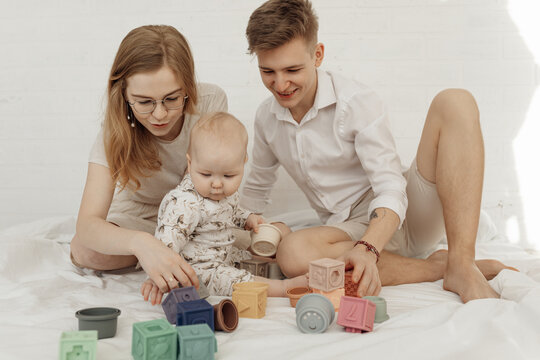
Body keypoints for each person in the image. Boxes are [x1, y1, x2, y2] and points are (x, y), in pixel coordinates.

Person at [242, 0, 515, 303]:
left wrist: (368, 248)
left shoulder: (355, 101)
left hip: (406, 215)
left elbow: (390, 187)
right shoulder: (266, 118)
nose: (280, 84)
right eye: (268, 71)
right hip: (347, 230)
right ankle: (437, 268)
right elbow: (254, 194)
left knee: (455, 101)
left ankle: (462, 263)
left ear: (317, 55)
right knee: (292, 253)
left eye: (292, 69)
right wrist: (241, 228)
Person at [69, 25, 231, 294]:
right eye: (144, 102)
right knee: (86, 251)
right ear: (123, 94)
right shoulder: (114, 130)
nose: (159, 115)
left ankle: (173, 251)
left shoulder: (211, 101)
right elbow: (87, 225)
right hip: (141, 215)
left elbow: (201, 190)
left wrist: (172, 239)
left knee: (255, 244)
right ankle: (161, 252)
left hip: (195, 209)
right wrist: (141, 244)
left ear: (188, 87)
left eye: (171, 99)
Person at [140, 112, 308, 304]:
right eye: (205, 174)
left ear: (243, 163)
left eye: (228, 176)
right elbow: (165, 242)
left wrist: (246, 218)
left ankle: (277, 271)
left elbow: (231, 211)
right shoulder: (185, 203)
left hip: (223, 255)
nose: (217, 184)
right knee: (235, 280)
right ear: (190, 163)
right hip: (198, 270)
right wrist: (157, 275)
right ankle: (283, 288)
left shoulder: (225, 194)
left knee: (250, 258)